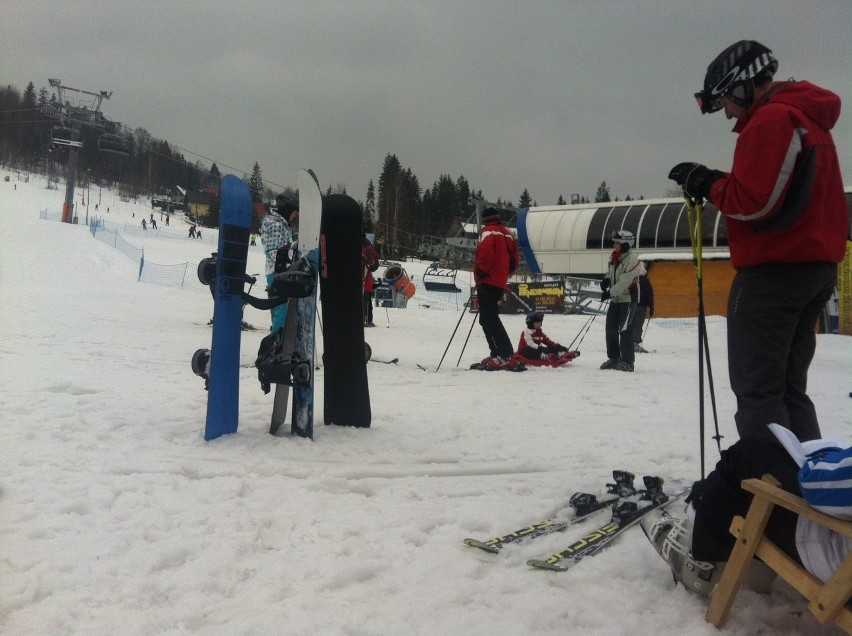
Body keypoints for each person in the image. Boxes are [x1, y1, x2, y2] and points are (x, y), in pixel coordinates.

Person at [668, 40, 847, 442]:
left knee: (759, 393)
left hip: (774, 275)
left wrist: (708, 182)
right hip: (812, 269)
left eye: (724, 102)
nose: (727, 114)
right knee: (787, 390)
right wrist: (717, 180)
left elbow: (752, 203)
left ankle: (768, 496)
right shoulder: (806, 117)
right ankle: (806, 487)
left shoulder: (772, 120)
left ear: (742, 84)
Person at [641, 427, 851, 597]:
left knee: (748, 452)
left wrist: (824, 456)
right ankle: (753, 564)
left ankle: (697, 560)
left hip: (831, 556)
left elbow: (816, 484)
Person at [473, 207, 519, 370]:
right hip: (499, 281)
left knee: (489, 318)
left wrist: (481, 271)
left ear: (485, 219)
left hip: (487, 280)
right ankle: (497, 353)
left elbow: (485, 253)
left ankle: (504, 354)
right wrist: (504, 272)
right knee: (487, 317)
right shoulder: (507, 234)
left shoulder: (488, 232)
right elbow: (515, 259)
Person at [599, 230, 642, 372]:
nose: (614, 245)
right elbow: (610, 272)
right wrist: (606, 279)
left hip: (628, 299)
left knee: (625, 330)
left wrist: (609, 293)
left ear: (625, 244)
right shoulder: (614, 257)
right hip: (616, 299)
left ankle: (628, 362)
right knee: (610, 329)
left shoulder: (632, 260)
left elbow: (625, 282)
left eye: (617, 242)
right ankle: (614, 358)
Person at [260, 194, 297, 332]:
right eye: (295, 213)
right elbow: (274, 251)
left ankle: (276, 341)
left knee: (278, 310)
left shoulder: (281, 224)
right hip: (278, 273)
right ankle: (277, 342)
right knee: (281, 311)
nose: (295, 217)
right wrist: (294, 254)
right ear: (288, 210)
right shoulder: (275, 225)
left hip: (277, 272)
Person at [632, 270, 654, 353]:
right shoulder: (647, 284)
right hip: (642, 307)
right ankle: (635, 343)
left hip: (633, 306)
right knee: (638, 325)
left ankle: (630, 342)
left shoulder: (634, 282)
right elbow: (650, 297)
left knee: (632, 324)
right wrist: (651, 308)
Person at [362, 233, 379, 327]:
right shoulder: (367, 244)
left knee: (366, 299)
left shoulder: (367, 244)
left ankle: (367, 319)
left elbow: (374, 261)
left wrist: (372, 264)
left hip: (366, 278)